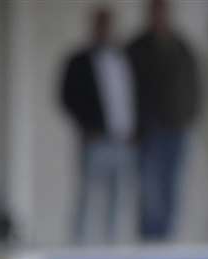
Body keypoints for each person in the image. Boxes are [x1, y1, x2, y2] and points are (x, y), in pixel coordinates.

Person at [60, 8, 138, 243]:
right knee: (89, 195)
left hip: (123, 138)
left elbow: (133, 96)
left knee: (119, 197)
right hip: (96, 138)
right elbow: (66, 97)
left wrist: (136, 129)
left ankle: (114, 244)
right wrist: (87, 125)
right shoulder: (80, 61)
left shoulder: (123, 58)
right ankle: (80, 243)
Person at [127, 0, 201, 240]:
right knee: (150, 188)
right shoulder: (136, 48)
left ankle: (167, 238)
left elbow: (194, 85)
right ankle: (149, 238)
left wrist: (190, 116)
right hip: (149, 129)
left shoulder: (181, 47)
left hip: (176, 127)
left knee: (171, 186)